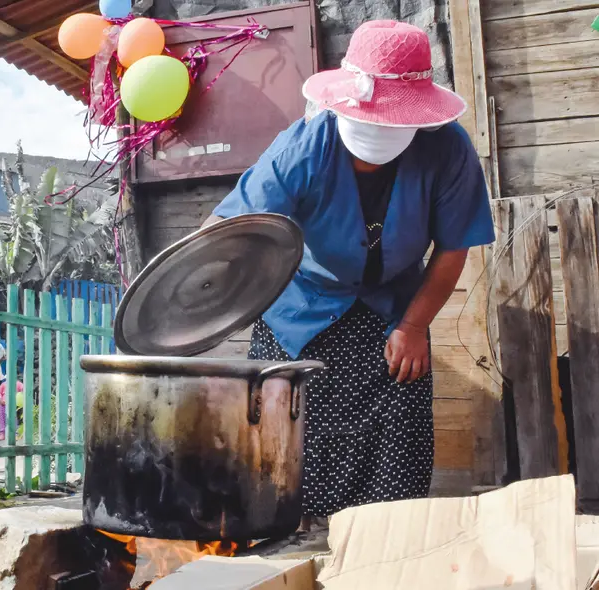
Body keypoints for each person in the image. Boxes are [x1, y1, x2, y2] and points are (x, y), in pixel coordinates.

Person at [202, 20, 495, 529]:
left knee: (398, 432)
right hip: (300, 311)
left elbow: (453, 249)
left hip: (393, 313)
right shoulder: (304, 146)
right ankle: (297, 546)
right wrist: (197, 285)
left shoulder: (448, 149)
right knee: (286, 443)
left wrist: (414, 325)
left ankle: (383, 550)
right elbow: (231, 228)